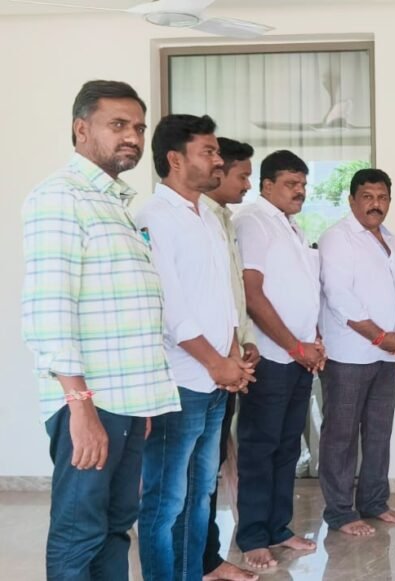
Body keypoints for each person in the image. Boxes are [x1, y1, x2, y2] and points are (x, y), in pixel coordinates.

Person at [22, 80, 180, 581]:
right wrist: (80, 405)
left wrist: (141, 403)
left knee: (115, 526)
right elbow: (50, 309)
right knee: (80, 530)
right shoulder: (60, 198)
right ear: (81, 129)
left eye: (138, 127)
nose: (132, 136)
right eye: (118, 125)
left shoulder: (112, 203)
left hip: (125, 401)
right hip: (90, 402)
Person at [136, 114, 255, 580]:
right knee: (166, 500)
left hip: (216, 379)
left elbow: (222, 294)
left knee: (200, 493)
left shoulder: (207, 214)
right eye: (208, 152)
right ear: (174, 159)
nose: (218, 160)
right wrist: (215, 362)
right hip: (181, 382)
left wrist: (233, 354)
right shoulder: (153, 217)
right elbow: (169, 305)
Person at [233, 149, 324, 568]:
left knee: (288, 446)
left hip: (299, 357)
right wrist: (294, 346)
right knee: (260, 447)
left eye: (303, 184)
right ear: (267, 185)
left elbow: (302, 289)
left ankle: (277, 528)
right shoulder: (252, 221)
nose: (299, 191)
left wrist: (313, 340)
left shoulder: (292, 226)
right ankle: (253, 536)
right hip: (271, 356)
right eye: (291, 184)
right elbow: (252, 294)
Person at [318, 168, 395, 536]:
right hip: (349, 354)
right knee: (341, 435)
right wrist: (379, 337)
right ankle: (340, 512)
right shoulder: (337, 239)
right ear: (352, 200)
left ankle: (374, 502)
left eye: (382, 198)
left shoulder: (394, 240)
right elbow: (339, 297)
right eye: (367, 197)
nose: (375, 204)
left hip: (388, 353)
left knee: (379, 431)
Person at [199, 137, 261, 581]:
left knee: (211, 469)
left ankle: (208, 558)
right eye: (242, 175)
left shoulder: (223, 219)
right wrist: (224, 358)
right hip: (203, 367)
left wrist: (245, 341)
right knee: (194, 477)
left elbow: (232, 294)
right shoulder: (193, 220)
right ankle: (199, 562)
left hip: (229, 362)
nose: (246, 184)